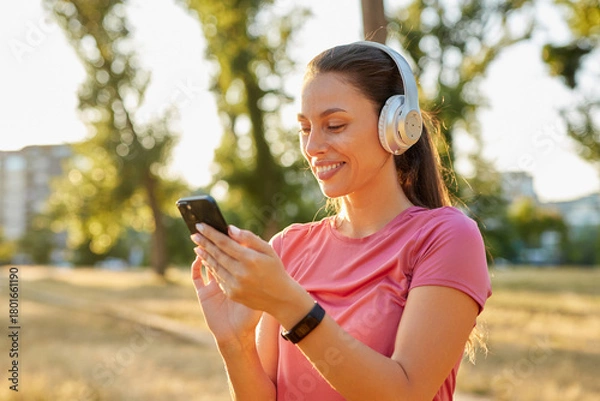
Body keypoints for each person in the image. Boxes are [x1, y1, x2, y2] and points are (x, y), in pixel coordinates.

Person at [190, 41, 492, 401]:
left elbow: (405, 392)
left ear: (396, 126)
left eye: (334, 125)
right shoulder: (287, 248)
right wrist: (233, 342)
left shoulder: (446, 237)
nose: (313, 146)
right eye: (305, 128)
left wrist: (290, 304)